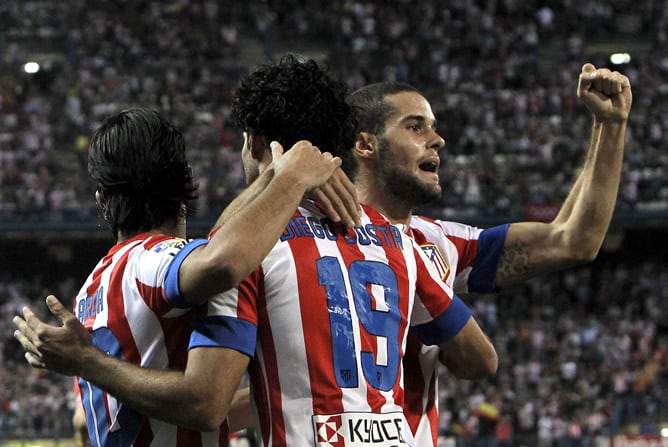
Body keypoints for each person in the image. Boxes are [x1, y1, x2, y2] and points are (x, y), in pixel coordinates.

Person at [13, 55, 498, 447]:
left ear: (252, 143)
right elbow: (480, 360)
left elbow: (206, 397)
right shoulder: (400, 239)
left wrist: (279, 179)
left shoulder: (246, 252)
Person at [13, 106, 354, 447]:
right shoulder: (150, 261)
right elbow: (221, 260)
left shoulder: (91, 288)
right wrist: (290, 180)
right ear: (189, 180)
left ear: (101, 199)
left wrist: (267, 180)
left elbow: (179, 406)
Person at [345, 62, 632, 445]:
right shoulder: (303, 238)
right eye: (416, 127)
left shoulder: (438, 242)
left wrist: (610, 126)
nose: (438, 139)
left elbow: (573, 240)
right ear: (366, 145)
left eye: (432, 126)